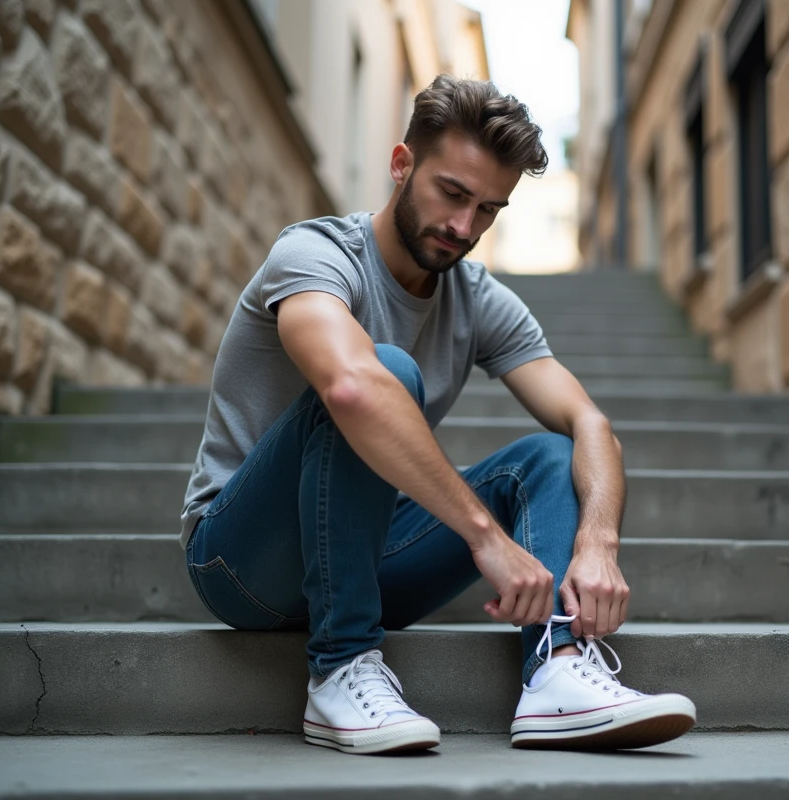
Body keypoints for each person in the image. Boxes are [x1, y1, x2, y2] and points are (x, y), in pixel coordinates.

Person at [179, 75, 695, 755]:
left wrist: (598, 541)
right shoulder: (314, 254)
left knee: (546, 456)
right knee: (381, 371)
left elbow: (589, 424)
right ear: (402, 164)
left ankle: (558, 671)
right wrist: (485, 536)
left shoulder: (477, 297)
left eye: (488, 209)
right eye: (451, 194)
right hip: (242, 560)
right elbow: (352, 387)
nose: (464, 227)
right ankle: (340, 668)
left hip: (366, 556)